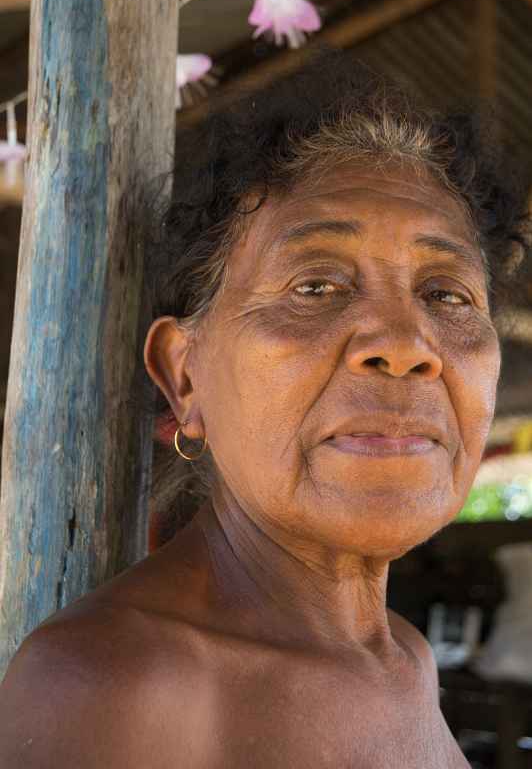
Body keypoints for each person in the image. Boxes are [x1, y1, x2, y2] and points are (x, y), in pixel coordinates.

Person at [0, 50, 530, 768]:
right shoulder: (120, 687)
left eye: (447, 294)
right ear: (184, 379)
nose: (408, 346)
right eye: (316, 288)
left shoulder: (403, 657)